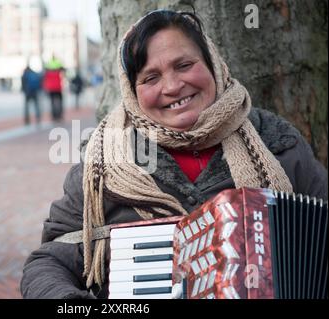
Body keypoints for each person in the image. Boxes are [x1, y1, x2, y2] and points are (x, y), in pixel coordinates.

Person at [21, 10, 328, 299]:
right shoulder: (104, 165)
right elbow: (48, 262)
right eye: (150, 78)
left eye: (184, 65)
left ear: (212, 64)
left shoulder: (276, 142)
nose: (172, 86)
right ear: (133, 90)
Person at [43, 56, 64, 121]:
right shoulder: (58, 70)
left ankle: (54, 116)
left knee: (52, 103)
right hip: (58, 88)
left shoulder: (48, 72)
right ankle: (59, 115)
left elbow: (45, 81)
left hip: (51, 89)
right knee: (60, 102)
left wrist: (46, 88)